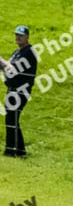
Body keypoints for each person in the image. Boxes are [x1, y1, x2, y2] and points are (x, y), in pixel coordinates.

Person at [0, 24, 38, 157]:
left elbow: (12, 69)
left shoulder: (29, 52)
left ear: (27, 36)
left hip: (21, 91)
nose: (18, 37)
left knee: (12, 118)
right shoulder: (17, 52)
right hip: (12, 89)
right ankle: (19, 151)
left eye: (21, 35)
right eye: (16, 34)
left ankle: (12, 151)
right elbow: (7, 69)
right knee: (11, 119)